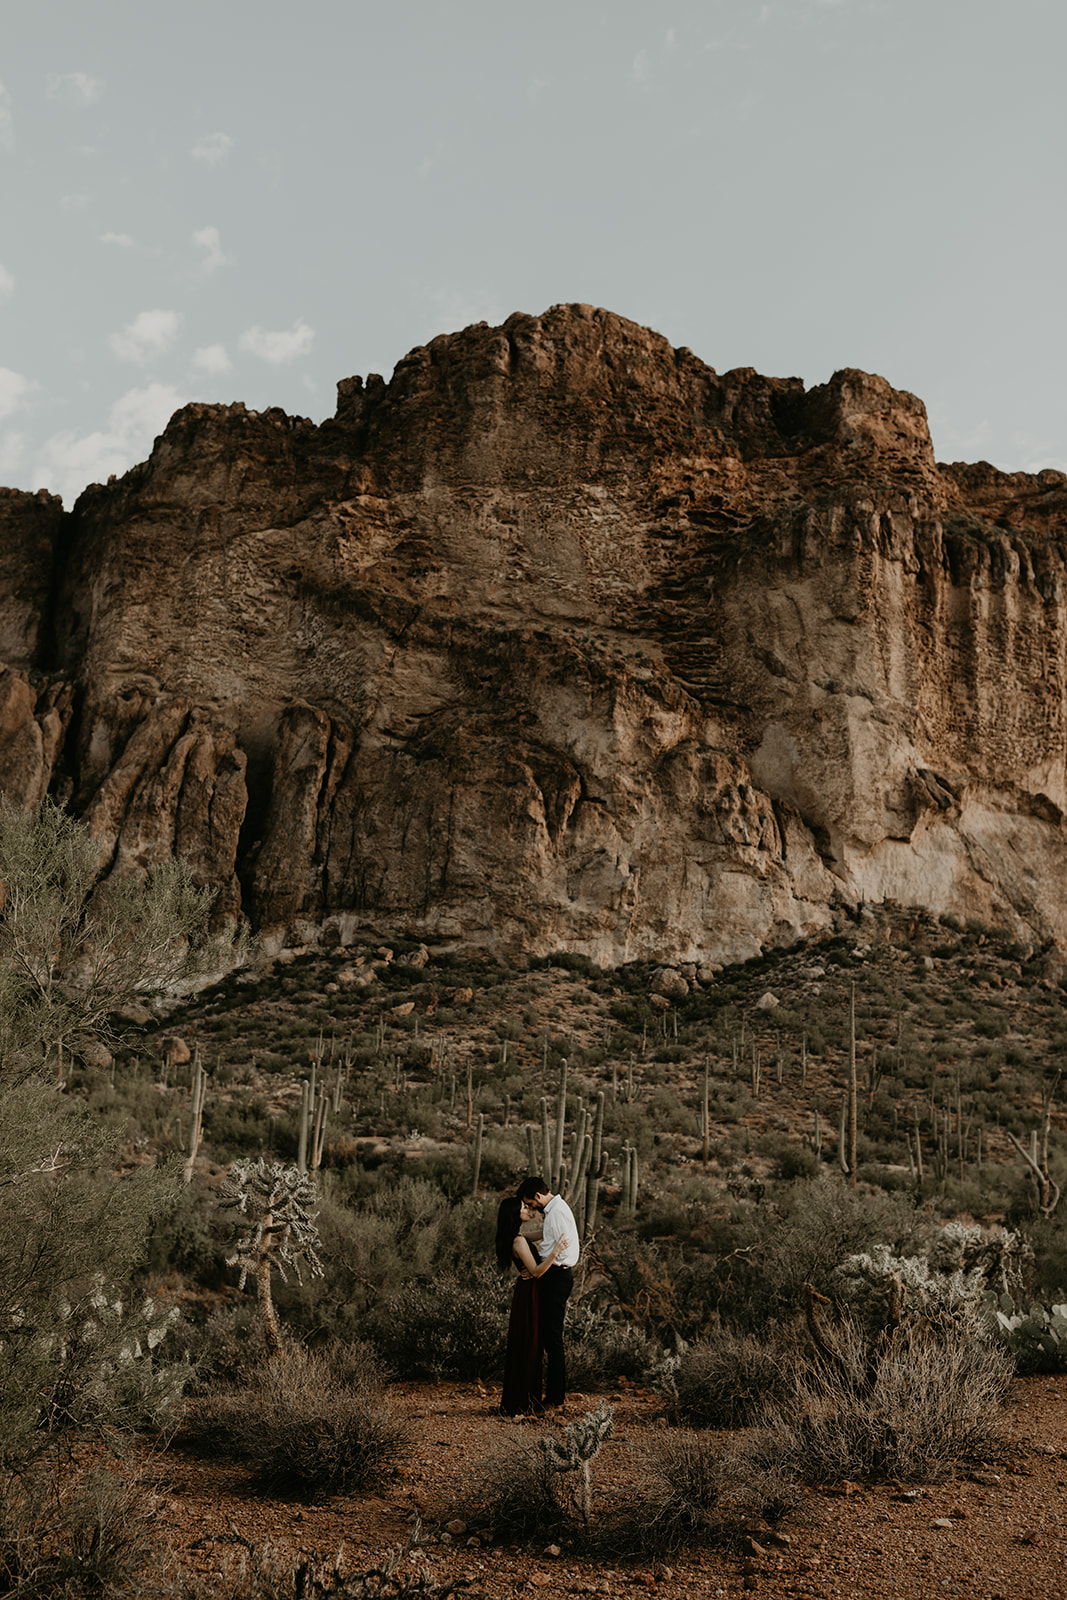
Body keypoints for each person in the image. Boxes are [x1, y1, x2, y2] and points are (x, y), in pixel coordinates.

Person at [494, 1195, 572, 1418]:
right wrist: (555, 1252)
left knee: (529, 1341)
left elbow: (542, 1235)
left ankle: (523, 1398)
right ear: (515, 1213)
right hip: (530, 1292)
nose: (528, 1209)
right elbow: (536, 1271)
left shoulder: (519, 1236)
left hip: (529, 1291)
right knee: (529, 1341)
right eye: (523, 1207)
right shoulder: (518, 1241)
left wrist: (555, 1217)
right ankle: (523, 1401)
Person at [516, 1176, 579, 1411]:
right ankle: (551, 1394)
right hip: (552, 1275)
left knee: (552, 1338)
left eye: (529, 1202)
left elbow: (558, 1250)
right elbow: (548, 1236)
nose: (530, 1207)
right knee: (548, 1336)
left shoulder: (557, 1213)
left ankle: (555, 1397)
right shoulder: (554, 1212)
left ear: (538, 1197)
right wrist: (521, 1238)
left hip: (555, 1277)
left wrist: (535, 1270)